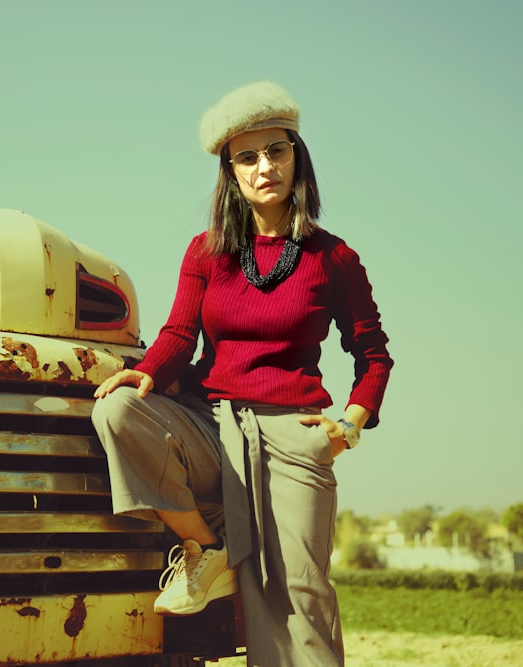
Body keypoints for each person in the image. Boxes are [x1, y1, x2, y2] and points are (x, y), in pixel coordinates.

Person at [91, 81, 393, 666]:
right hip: (213, 425)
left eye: (276, 151)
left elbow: (373, 353)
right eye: (247, 157)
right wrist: (145, 372)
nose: (264, 167)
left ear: (296, 158)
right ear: (230, 173)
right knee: (117, 409)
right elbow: (180, 336)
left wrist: (348, 426)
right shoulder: (205, 252)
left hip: (293, 433)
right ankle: (205, 551)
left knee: (299, 592)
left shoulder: (334, 258)